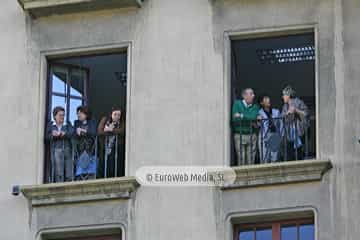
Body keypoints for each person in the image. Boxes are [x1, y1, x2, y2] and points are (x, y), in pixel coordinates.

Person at [232, 88, 260, 165]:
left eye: (253, 94)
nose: (253, 96)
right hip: (239, 135)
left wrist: (241, 115)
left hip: (252, 135)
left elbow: (253, 117)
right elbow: (235, 119)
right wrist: (250, 119)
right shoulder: (237, 104)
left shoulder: (255, 107)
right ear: (244, 96)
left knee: (251, 159)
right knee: (241, 159)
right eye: (251, 94)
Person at [281, 85, 309, 160]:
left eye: (284, 95)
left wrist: (296, 110)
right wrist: (287, 113)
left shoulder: (299, 102)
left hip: (299, 132)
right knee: (290, 155)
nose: (282, 97)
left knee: (299, 154)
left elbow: (306, 114)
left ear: (288, 95)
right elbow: (282, 117)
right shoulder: (285, 106)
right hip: (289, 134)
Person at [46, 106, 74, 182]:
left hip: (67, 149)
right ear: (55, 116)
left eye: (63, 115)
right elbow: (47, 137)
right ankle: (59, 186)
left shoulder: (67, 124)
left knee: (69, 172)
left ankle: (69, 186)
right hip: (56, 150)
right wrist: (53, 135)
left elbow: (72, 133)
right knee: (59, 172)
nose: (62, 117)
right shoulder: (51, 125)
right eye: (60, 115)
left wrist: (64, 134)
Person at [98, 107, 126, 178]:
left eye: (119, 115)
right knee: (104, 166)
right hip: (105, 148)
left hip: (117, 148)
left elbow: (122, 131)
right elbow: (99, 131)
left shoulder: (122, 122)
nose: (117, 117)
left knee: (115, 166)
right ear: (111, 114)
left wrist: (111, 130)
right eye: (115, 114)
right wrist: (107, 130)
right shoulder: (105, 120)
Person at [73, 106, 98, 180]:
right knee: (80, 174)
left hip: (91, 151)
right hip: (80, 151)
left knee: (90, 174)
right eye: (77, 113)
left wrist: (84, 131)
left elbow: (93, 132)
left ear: (86, 114)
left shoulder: (92, 122)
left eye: (80, 113)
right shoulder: (76, 123)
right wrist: (76, 132)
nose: (78, 115)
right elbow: (73, 134)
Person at [257, 94, 282, 164]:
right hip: (264, 136)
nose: (268, 100)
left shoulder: (276, 111)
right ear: (261, 103)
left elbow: (280, 124)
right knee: (264, 158)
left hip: (274, 135)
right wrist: (258, 120)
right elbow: (257, 125)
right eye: (265, 99)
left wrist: (281, 136)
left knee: (274, 159)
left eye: (268, 98)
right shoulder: (259, 112)